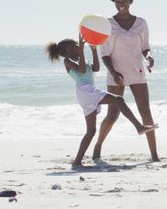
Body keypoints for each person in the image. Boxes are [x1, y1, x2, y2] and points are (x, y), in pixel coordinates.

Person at [46, 34, 157, 168]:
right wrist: (81, 49)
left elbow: (96, 68)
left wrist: (93, 50)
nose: (79, 45)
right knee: (119, 100)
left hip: (88, 92)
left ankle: (77, 162)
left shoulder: (81, 58)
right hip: (85, 91)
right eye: (76, 44)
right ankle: (139, 127)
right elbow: (81, 70)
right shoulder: (68, 61)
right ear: (68, 49)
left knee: (91, 131)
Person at [93, 0, 160, 161]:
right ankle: (98, 146)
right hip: (116, 73)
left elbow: (146, 48)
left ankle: (154, 155)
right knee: (113, 115)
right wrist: (114, 72)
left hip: (137, 71)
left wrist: (150, 58)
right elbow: (105, 54)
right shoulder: (108, 24)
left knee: (145, 111)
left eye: (123, 0)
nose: (120, 3)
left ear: (130, 1)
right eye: (116, 0)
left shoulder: (141, 23)